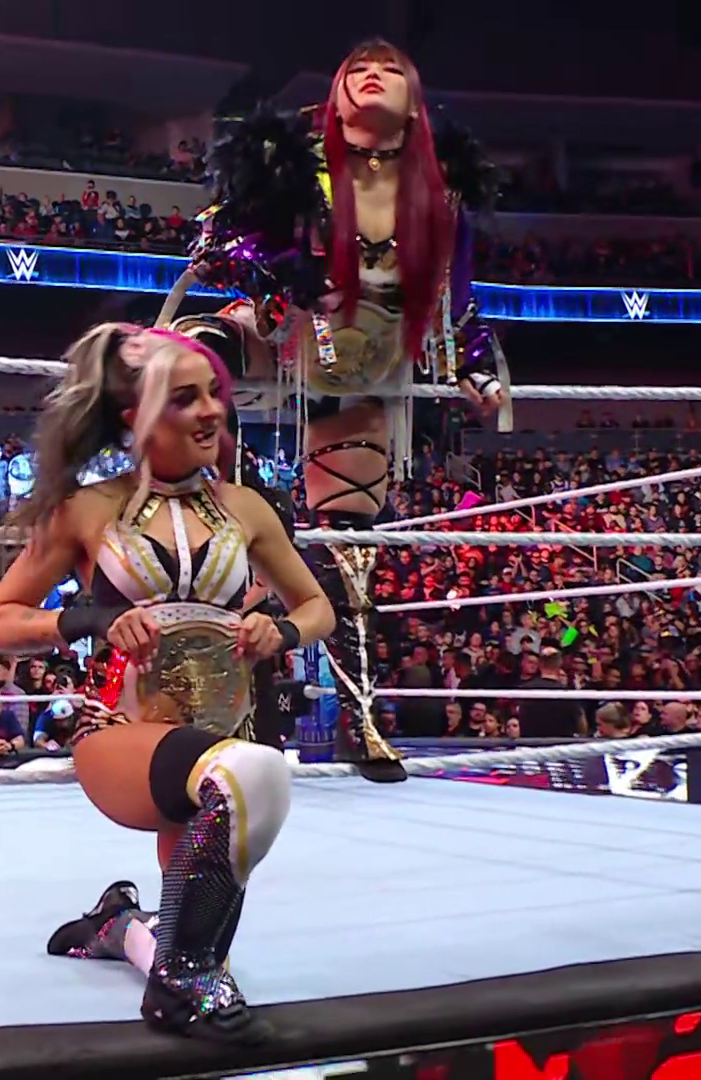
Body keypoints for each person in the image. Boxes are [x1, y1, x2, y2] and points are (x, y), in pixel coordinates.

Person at [0, 323, 334, 1043]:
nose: (211, 412)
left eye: (212, 394)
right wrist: (91, 618)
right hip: (121, 732)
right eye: (184, 398)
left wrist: (281, 630)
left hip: (221, 732)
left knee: (192, 931)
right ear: (133, 418)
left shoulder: (247, 508)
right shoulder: (87, 509)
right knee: (253, 779)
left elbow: (317, 606)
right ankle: (177, 993)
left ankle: (122, 929)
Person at [173, 39, 504, 783]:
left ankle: (361, 718)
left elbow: (456, 294)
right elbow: (216, 240)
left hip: (370, 360)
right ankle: (241, 522)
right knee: (183, 360)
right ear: (335, 95)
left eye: (388, 69)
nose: (371, 74)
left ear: (413, 102)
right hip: (281, 328)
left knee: (352, 551)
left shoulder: (441, 189)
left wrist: (474, 362)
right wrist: (290, 269)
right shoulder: (292, 161)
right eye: (357, 68)